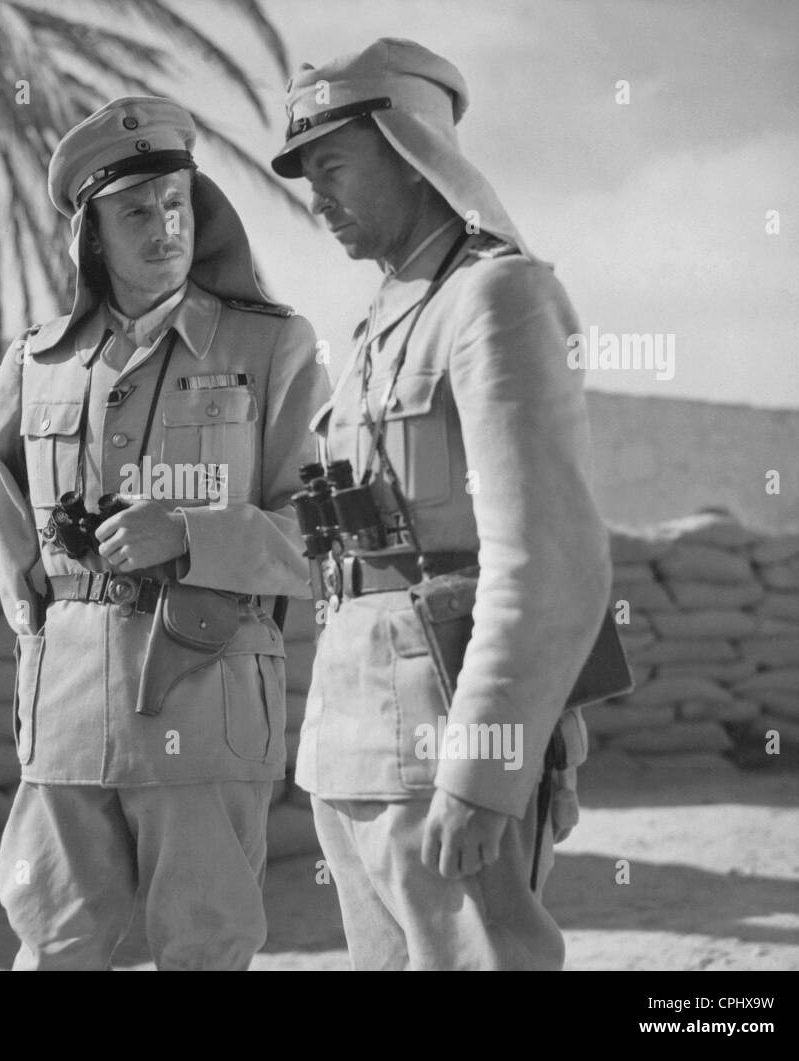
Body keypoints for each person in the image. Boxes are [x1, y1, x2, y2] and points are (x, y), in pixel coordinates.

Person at [271, 38, 611, 970]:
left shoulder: (495, 298)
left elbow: (547, 563)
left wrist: (487, 768)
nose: (316, 196)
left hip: (444, 739)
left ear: (410, 148)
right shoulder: (383, 319)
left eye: (332, 164)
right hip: (350, 746)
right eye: (305, 174)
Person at [0, 96, 329, 970]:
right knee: (55, 941)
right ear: (90, 233)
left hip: (207, 700)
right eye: (134, 210)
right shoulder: (35, 364)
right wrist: (39, 663)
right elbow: (15, 554)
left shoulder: (271, 348)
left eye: (176, 202)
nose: (163, 225)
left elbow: (321, 534)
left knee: (204, 945)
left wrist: (192, 532)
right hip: (66, 714)